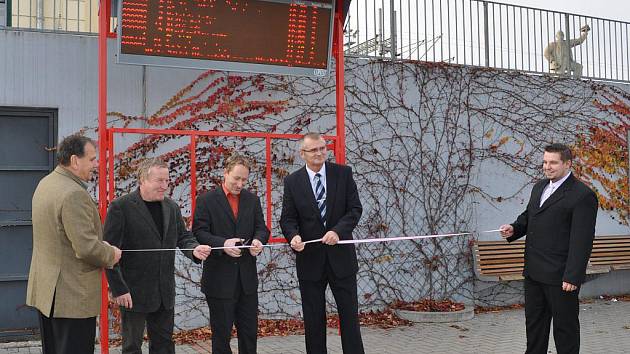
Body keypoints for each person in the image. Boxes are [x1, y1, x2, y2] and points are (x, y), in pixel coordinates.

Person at [26, 134, 122, 354]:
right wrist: (111, 254)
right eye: (92, 159)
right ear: (75, 160)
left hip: (48, 293)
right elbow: (86, 247)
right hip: (71, 297)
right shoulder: (73, 194)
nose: (96, 164)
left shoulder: (46, 184)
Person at [104, 158, 211, 353]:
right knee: (131, 347)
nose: (164, 186)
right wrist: (119, 289)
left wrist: (194, 249)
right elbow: (108, 252)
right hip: (132, 292)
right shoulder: (121, 207)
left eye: (167, 181)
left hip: (164, 292)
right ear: (143, 180)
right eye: (159, 181)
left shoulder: (171, 206)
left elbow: (183, 236)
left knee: (164, 346)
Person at [499, 143, 598, 354]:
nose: (547, 166)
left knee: (565, 330)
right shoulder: (539, 187)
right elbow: (530, 216)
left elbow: (582, 240)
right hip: (533, 272)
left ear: (567, 164)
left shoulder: (582, 195)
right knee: (534, 327)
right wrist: (514, 229)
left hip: (560, 277)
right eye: (545, 162)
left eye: (553, 162)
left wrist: (572, 276)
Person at [280, 132, 364, 354]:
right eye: (313, 150)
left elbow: (355, 209)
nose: (319, 153)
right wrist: (293, 236)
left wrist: (338, 231)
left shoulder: (343, 174)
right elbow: (288, 219)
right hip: (310, 260)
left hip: (341, 258)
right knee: (314, 319)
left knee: (349, 317)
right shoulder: (292, 181)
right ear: (302, 154)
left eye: (322, 148)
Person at [193, 154, 270, 354]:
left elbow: (262, 229)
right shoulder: (206, 200)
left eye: (244, 179)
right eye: (236, 178)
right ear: (225, 173)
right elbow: (199, 232)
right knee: (221, 336)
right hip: (219, 280)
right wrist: (222, 244)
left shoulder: (252, 200)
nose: (240, 183)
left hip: (247, 281)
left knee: (249, 334)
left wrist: (258, 241)